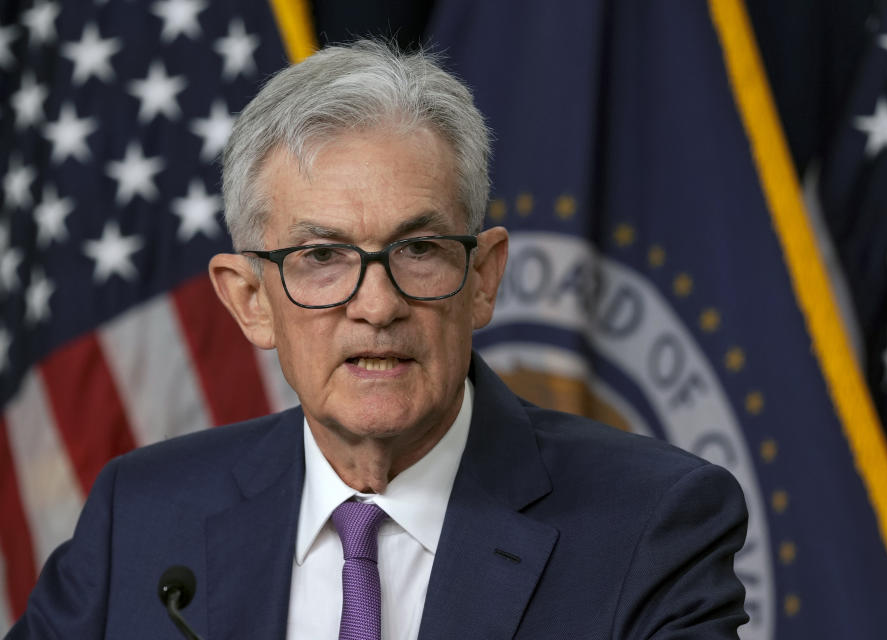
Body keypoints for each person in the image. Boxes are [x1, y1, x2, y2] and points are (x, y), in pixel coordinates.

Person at [8, 40, 748, 639]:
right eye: (321, 257)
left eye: (419, 249)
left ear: (483, 278)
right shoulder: (140, 520)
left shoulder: (651, 526)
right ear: (250, 301)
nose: (377, 304)